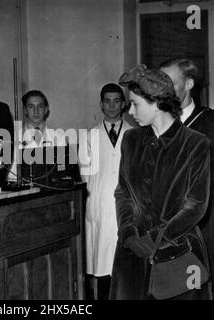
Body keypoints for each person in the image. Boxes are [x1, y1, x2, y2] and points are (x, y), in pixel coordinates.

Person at [109, 64, 211, 300]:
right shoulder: (131, 139)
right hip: (132, 253)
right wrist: (128, 233)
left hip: (177, 251)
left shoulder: (195, 143)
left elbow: (196, 205)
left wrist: (156, 239)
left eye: (135, 104)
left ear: (157, 103)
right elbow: (122, 193)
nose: (129, 111)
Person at [160, 59, 214, 292]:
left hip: (206, 226)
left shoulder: (210, 122)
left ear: (189, 83)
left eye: (170, 83)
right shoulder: (152, 125)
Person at [79, 83, 132, 300]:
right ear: (101, 104)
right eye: (107, 101)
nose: (112, 106)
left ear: (123, 105)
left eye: (116, 101)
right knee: (101, 267)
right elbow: (84, 174)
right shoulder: (88, 136)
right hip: (99, 206)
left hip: (125, 206)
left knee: (124, 265)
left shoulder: (134, 134)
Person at [7, 90, 67, 183]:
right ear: (25, 110)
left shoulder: (59, 137)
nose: (36, 111)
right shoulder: (14, 138)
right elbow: (11, 175)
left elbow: (63, 171)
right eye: (31, 107)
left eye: (40, 106)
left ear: (46, 110)